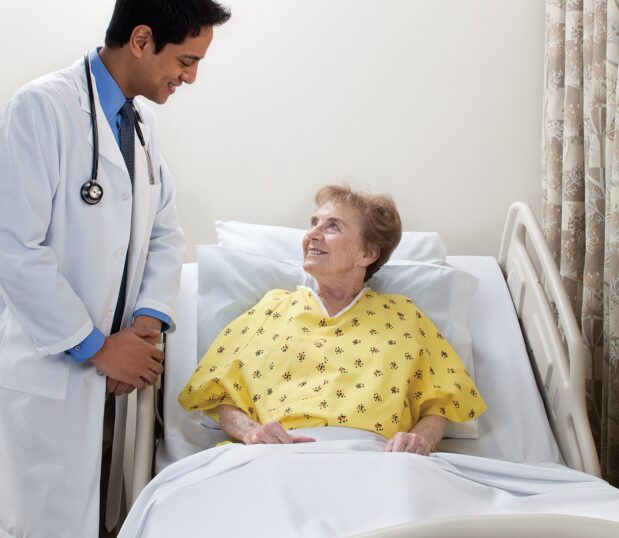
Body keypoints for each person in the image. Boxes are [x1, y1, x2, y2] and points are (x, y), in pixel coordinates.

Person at [0, 1, 230, 537]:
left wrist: (145, 326)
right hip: (53, 369)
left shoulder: (139, 121)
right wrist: (98, 347)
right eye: (187, 60)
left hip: (114, 375)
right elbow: (14, 248)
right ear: (142, 39)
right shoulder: (41, 108)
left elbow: (164, 231)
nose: (192, 77)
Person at [179, 185, 487, 454]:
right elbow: (222, 394)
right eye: (313, 223)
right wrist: (251, 432)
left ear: (367, 254)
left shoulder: (403, 315)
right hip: (279, 453)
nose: (312, 234)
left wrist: (418, 441)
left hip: (376, 458)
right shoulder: (272, 308)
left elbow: (441, 401)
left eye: (332, 226)